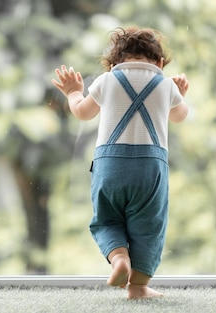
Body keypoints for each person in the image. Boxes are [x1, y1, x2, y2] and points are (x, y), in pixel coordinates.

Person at [51, 26, 189, 299]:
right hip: (150, 169)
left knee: (106, 219)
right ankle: (138, 288)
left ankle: (118, 260)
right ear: (160, 63)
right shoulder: (166, 85)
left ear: (113, 63)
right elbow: (179, 116)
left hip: (109, 166)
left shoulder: (106, 80)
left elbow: (81, 112)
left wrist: (73, 92)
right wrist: (180, 93)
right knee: (149, 226)